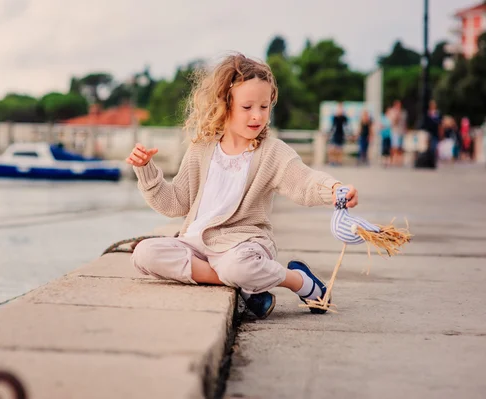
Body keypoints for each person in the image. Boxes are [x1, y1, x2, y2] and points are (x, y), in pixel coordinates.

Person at [125, 54, 359, 319]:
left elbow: (303, 180)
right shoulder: (201, 148)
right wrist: (146, 170)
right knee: (144, 253)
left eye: (264, 106)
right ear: (226, 105)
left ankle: (300, 281)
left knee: (238, 267)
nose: (257, 116)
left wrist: (334, 190)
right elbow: (175, 203)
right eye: (247, 107)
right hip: (197, 245)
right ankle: (248, 288)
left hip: (245, 245)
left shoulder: (272, 152)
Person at [387, 100, 407, 166]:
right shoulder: (392, 112)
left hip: (401, 131)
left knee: (400, 147)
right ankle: (393, 159)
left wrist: (405, 130)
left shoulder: (403, 112)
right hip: (395, 131)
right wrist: (396, 115)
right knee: (394, 146)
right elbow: (393, 122)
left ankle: (399, 160)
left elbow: (405, 123)